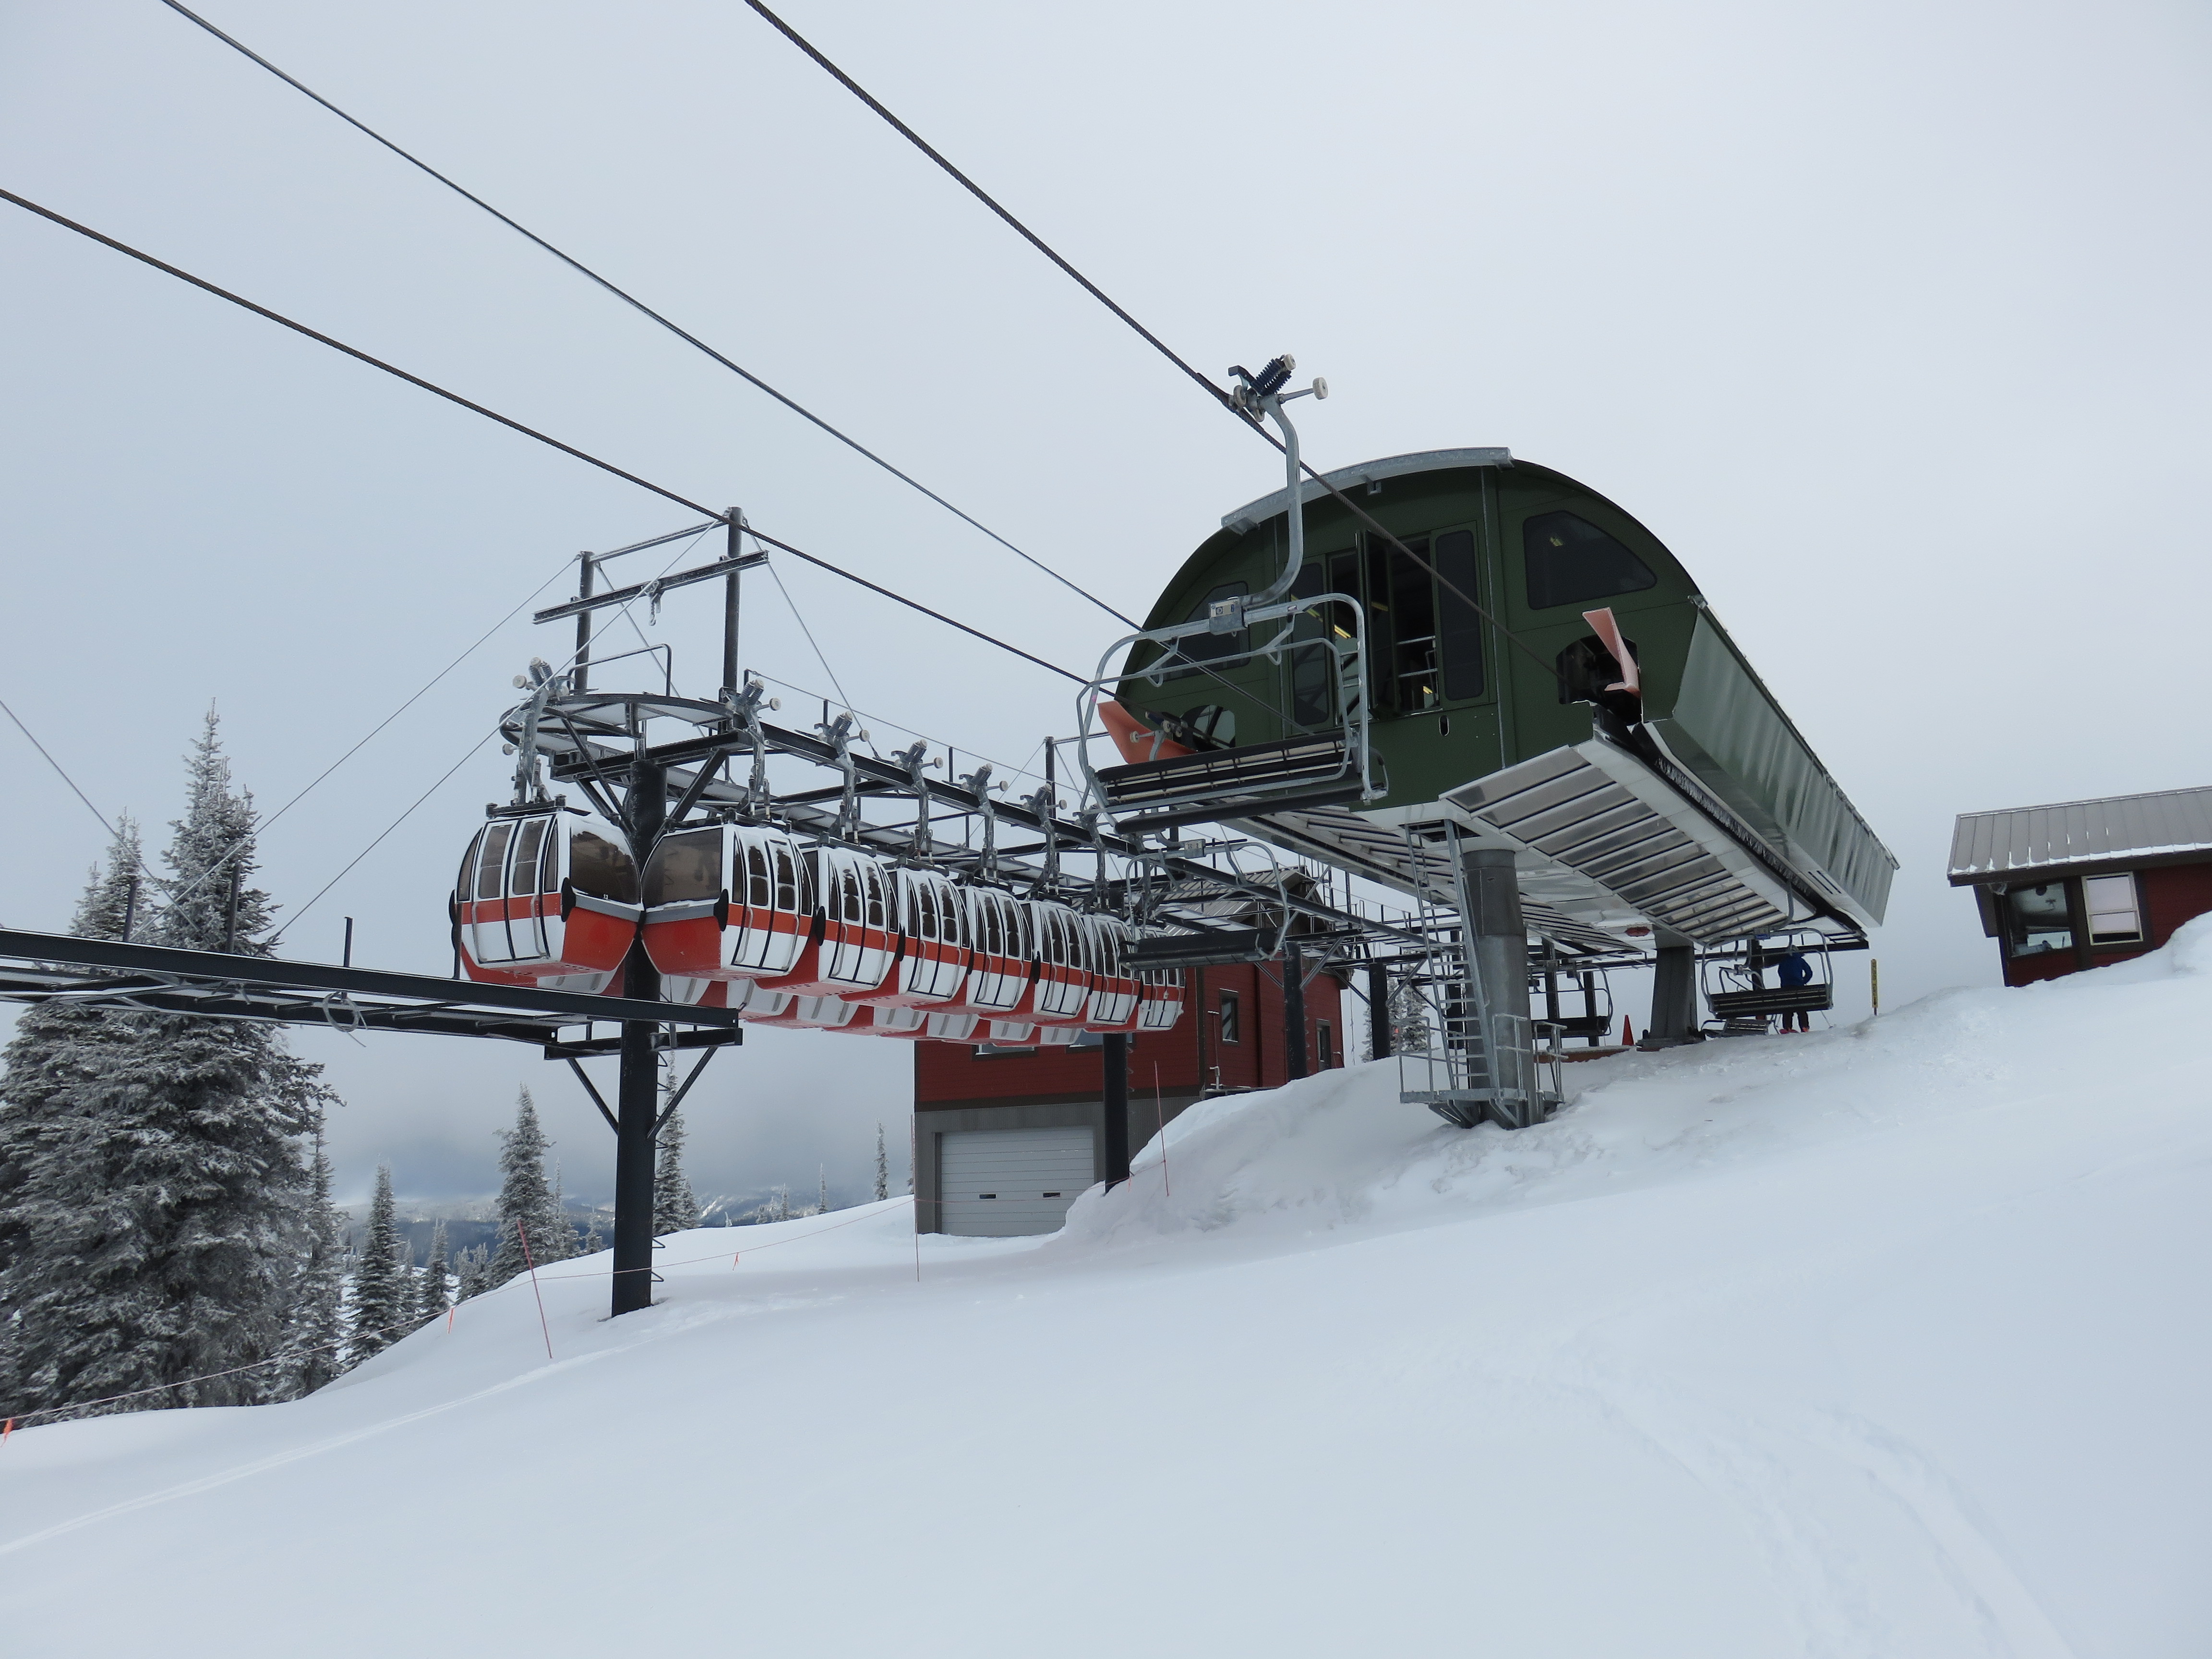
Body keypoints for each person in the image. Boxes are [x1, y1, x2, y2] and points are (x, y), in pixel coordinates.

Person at [1775, 950, 1814, 1032]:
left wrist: (1785, 982)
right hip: (1798, 987)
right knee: (1801, 1007)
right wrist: (1803, 981)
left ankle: (1787, 1027)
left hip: (1786, 987)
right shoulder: (1800, 960)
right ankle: (1804, 1027)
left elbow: (1780, 972)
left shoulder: (1783, 960)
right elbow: (1809, 973)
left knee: (1787, 1007)